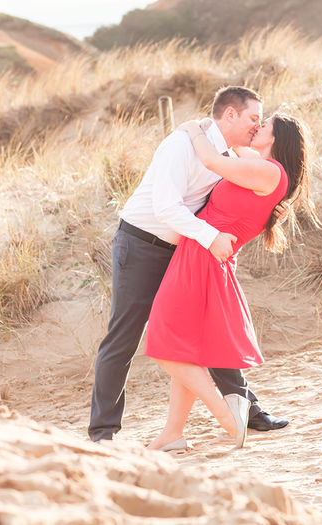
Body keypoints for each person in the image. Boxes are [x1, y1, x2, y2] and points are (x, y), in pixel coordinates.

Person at [88, 85, 290, 443]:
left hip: (185, 249)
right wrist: (210, 237)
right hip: (140, 245)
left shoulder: (226, 153)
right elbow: (166, 206)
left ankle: (246, 410)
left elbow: (251, 192)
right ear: (230, 114)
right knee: (124, 337)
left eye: (261, 121)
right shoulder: (181, 145)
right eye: (253, 118)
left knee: (202, 331)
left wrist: (270, 212)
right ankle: (103, 434)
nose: (257, 127)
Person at [143, 111, 315, 450]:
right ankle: (172, 434)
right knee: (185, 348)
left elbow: (210, 159)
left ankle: (226, 415)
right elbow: (233, 151)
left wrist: (192, 128)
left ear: (277, 138)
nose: (257, 126)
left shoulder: (269, 171)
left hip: (203, 256)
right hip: (202, 251)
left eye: (263, 125)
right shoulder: (260, 165)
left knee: (162, 340)